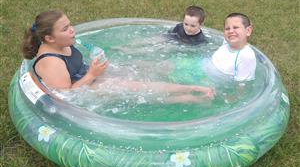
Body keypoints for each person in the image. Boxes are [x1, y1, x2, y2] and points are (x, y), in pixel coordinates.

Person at [22, 10, 215, 103]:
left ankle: (184, 92)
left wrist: (93, 67)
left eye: (70, 24)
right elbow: (66, 95)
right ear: (49, 38)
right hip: (85, 89)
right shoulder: (50, 62)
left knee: (141, 70)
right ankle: (190, 93)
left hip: (88, 77)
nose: (72, 30)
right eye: (65, 29)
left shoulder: (63, 43)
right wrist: (91, 75)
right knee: (137, 88)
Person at [212, 13, 256, 81]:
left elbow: (241, 84)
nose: (231, 31)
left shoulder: (246, 56)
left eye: (236, 27)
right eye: (227, 28)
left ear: (248, 31)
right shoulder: (226, 43)